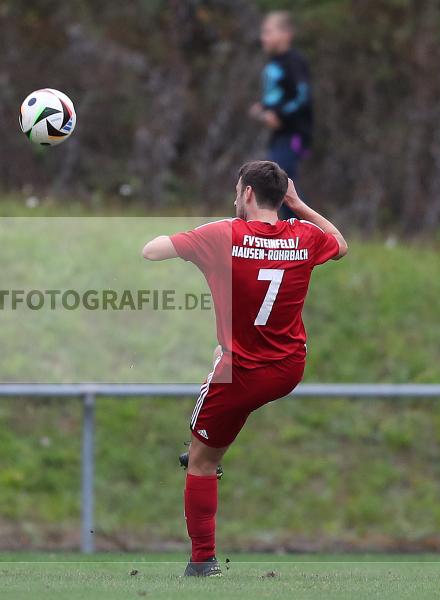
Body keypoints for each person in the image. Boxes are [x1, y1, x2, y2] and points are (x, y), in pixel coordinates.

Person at [142, 161, 347, 577]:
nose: (235, 197)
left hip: (242, 371)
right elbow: (340, 244)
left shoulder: (223, 234)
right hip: (289, 366)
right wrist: (299, 204)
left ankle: (202, 562)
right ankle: (209, 450)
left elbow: (152, 249)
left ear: (248, 194)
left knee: (199, 459)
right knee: (217, 407)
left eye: (238, 190)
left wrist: (203, 236)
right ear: (282, 195)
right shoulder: (304, 236)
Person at [248, 11, 313, 220]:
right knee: (277, 184)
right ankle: (287, 237)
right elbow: (279, 95)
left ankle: (308, 235)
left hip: (294, 133)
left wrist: (280, 116)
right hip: (280, 135)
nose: (263, 37)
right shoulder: (274, 63)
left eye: (268, 32)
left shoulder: (294, 61)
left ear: (285, 34)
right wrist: (263, 108)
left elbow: (302, 96)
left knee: (280, 183)